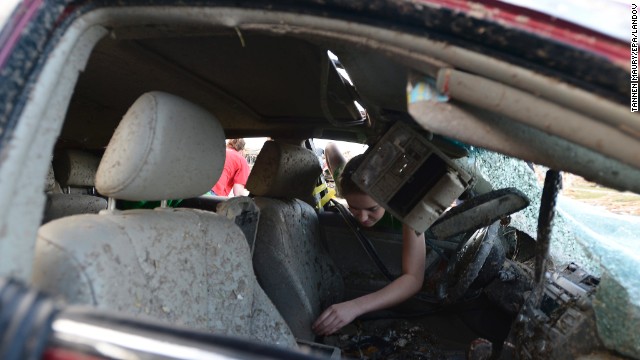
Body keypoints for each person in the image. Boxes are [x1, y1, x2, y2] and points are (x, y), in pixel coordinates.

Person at [312, 143, 426, 336]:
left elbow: (413, 278)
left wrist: (354, 307)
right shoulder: (348, 182)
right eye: (353, 208)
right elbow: (330, 149)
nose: (363, 218)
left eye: (372, 209)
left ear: (388, 196)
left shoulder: (408, 210)